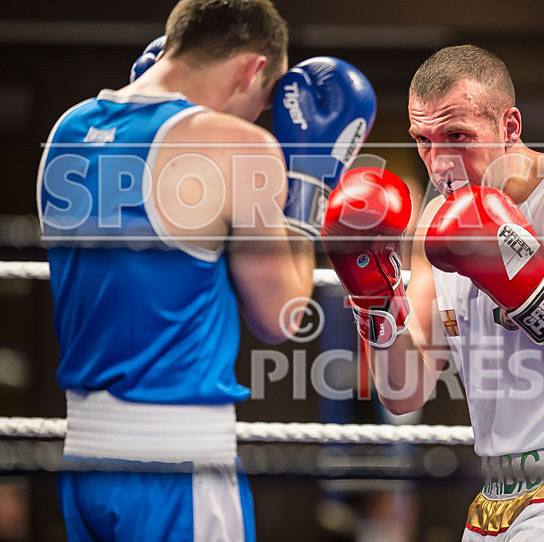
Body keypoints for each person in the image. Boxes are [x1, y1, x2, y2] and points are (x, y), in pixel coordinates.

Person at [36, 0, 375, 539]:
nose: (263, 114)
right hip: (179, 458)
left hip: (82, 459)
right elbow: (283, 316)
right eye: (267, 99)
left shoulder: (67, 131)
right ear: (251, 68)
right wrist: (310, 184)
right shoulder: (237, 147)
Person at [323, 45, 544, 541]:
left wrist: (530, 295)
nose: (440, 163)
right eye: (424, 140)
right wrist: (374, 298)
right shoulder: (435, 225)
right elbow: (404, 391)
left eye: (458, 137)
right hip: (495, 492)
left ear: (510, 128)